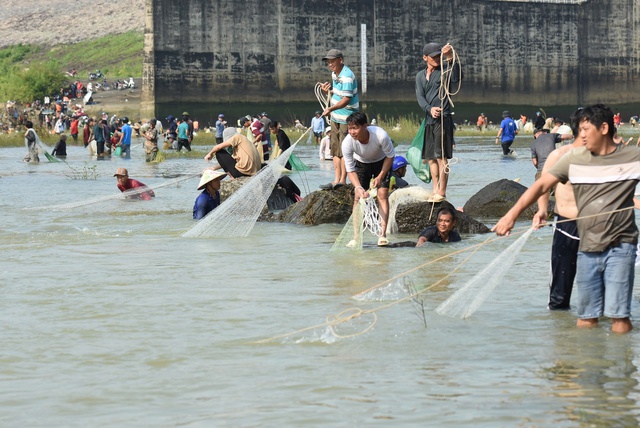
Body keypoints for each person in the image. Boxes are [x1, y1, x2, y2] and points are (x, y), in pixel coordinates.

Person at [493, 104, 640, 334]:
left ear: (603, 128)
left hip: (620, 244)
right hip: (576, 234)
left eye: (586, 129)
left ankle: (619, 366)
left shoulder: (630, 157)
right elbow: (541, 185)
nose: (581, 135)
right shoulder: (569, 158)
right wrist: (513, 215)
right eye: (579, 130)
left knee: (617, 316)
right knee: (581, 313)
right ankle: (572, 354)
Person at [531, 111, 584, 311]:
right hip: (565, 224)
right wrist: (542, 210)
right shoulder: (559, 155)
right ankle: (559, 331)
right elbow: (543, 185)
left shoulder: (603, 157)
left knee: (598, 287)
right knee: (560, 293)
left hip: (597, 226)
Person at [416, 42, 462, 202]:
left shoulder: (444, 71)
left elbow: (456, 76)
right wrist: (429, 109)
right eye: (433, 56)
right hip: (429, 119)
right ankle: (435, 188)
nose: (436, 59)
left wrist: (450, 57)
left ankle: (442, 191)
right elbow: (420, 97)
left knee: (442, 157)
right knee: (430, 157)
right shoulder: (420, 76)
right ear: (425, 58)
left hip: (444, 118)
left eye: (438, 56)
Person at [342, 112, 395, 246]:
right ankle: (356, 237)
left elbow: (390, 156)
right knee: (358, 196)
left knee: (382, 194)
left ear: (365, 126)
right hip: (361, 163)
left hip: (382, 161)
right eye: (349, 128)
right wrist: (358, 187)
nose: (352, 132)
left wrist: (380, 176)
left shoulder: (380, 135)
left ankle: (382, 235)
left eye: (355, 128)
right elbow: (350, 169)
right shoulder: (347, 142)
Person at [319, 48, 359, 190]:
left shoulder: (347, 75)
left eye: (332, 61)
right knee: (335, 150)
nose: (330, 64)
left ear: (340, 60)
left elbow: (347, 99)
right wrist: (327, 91)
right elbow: (337, 93)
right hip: (335, 117)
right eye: (328, 62)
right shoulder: (334, 74)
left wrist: (330, 109)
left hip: (346, 117)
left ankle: (343, 180)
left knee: (344, 150)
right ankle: (336, 180)